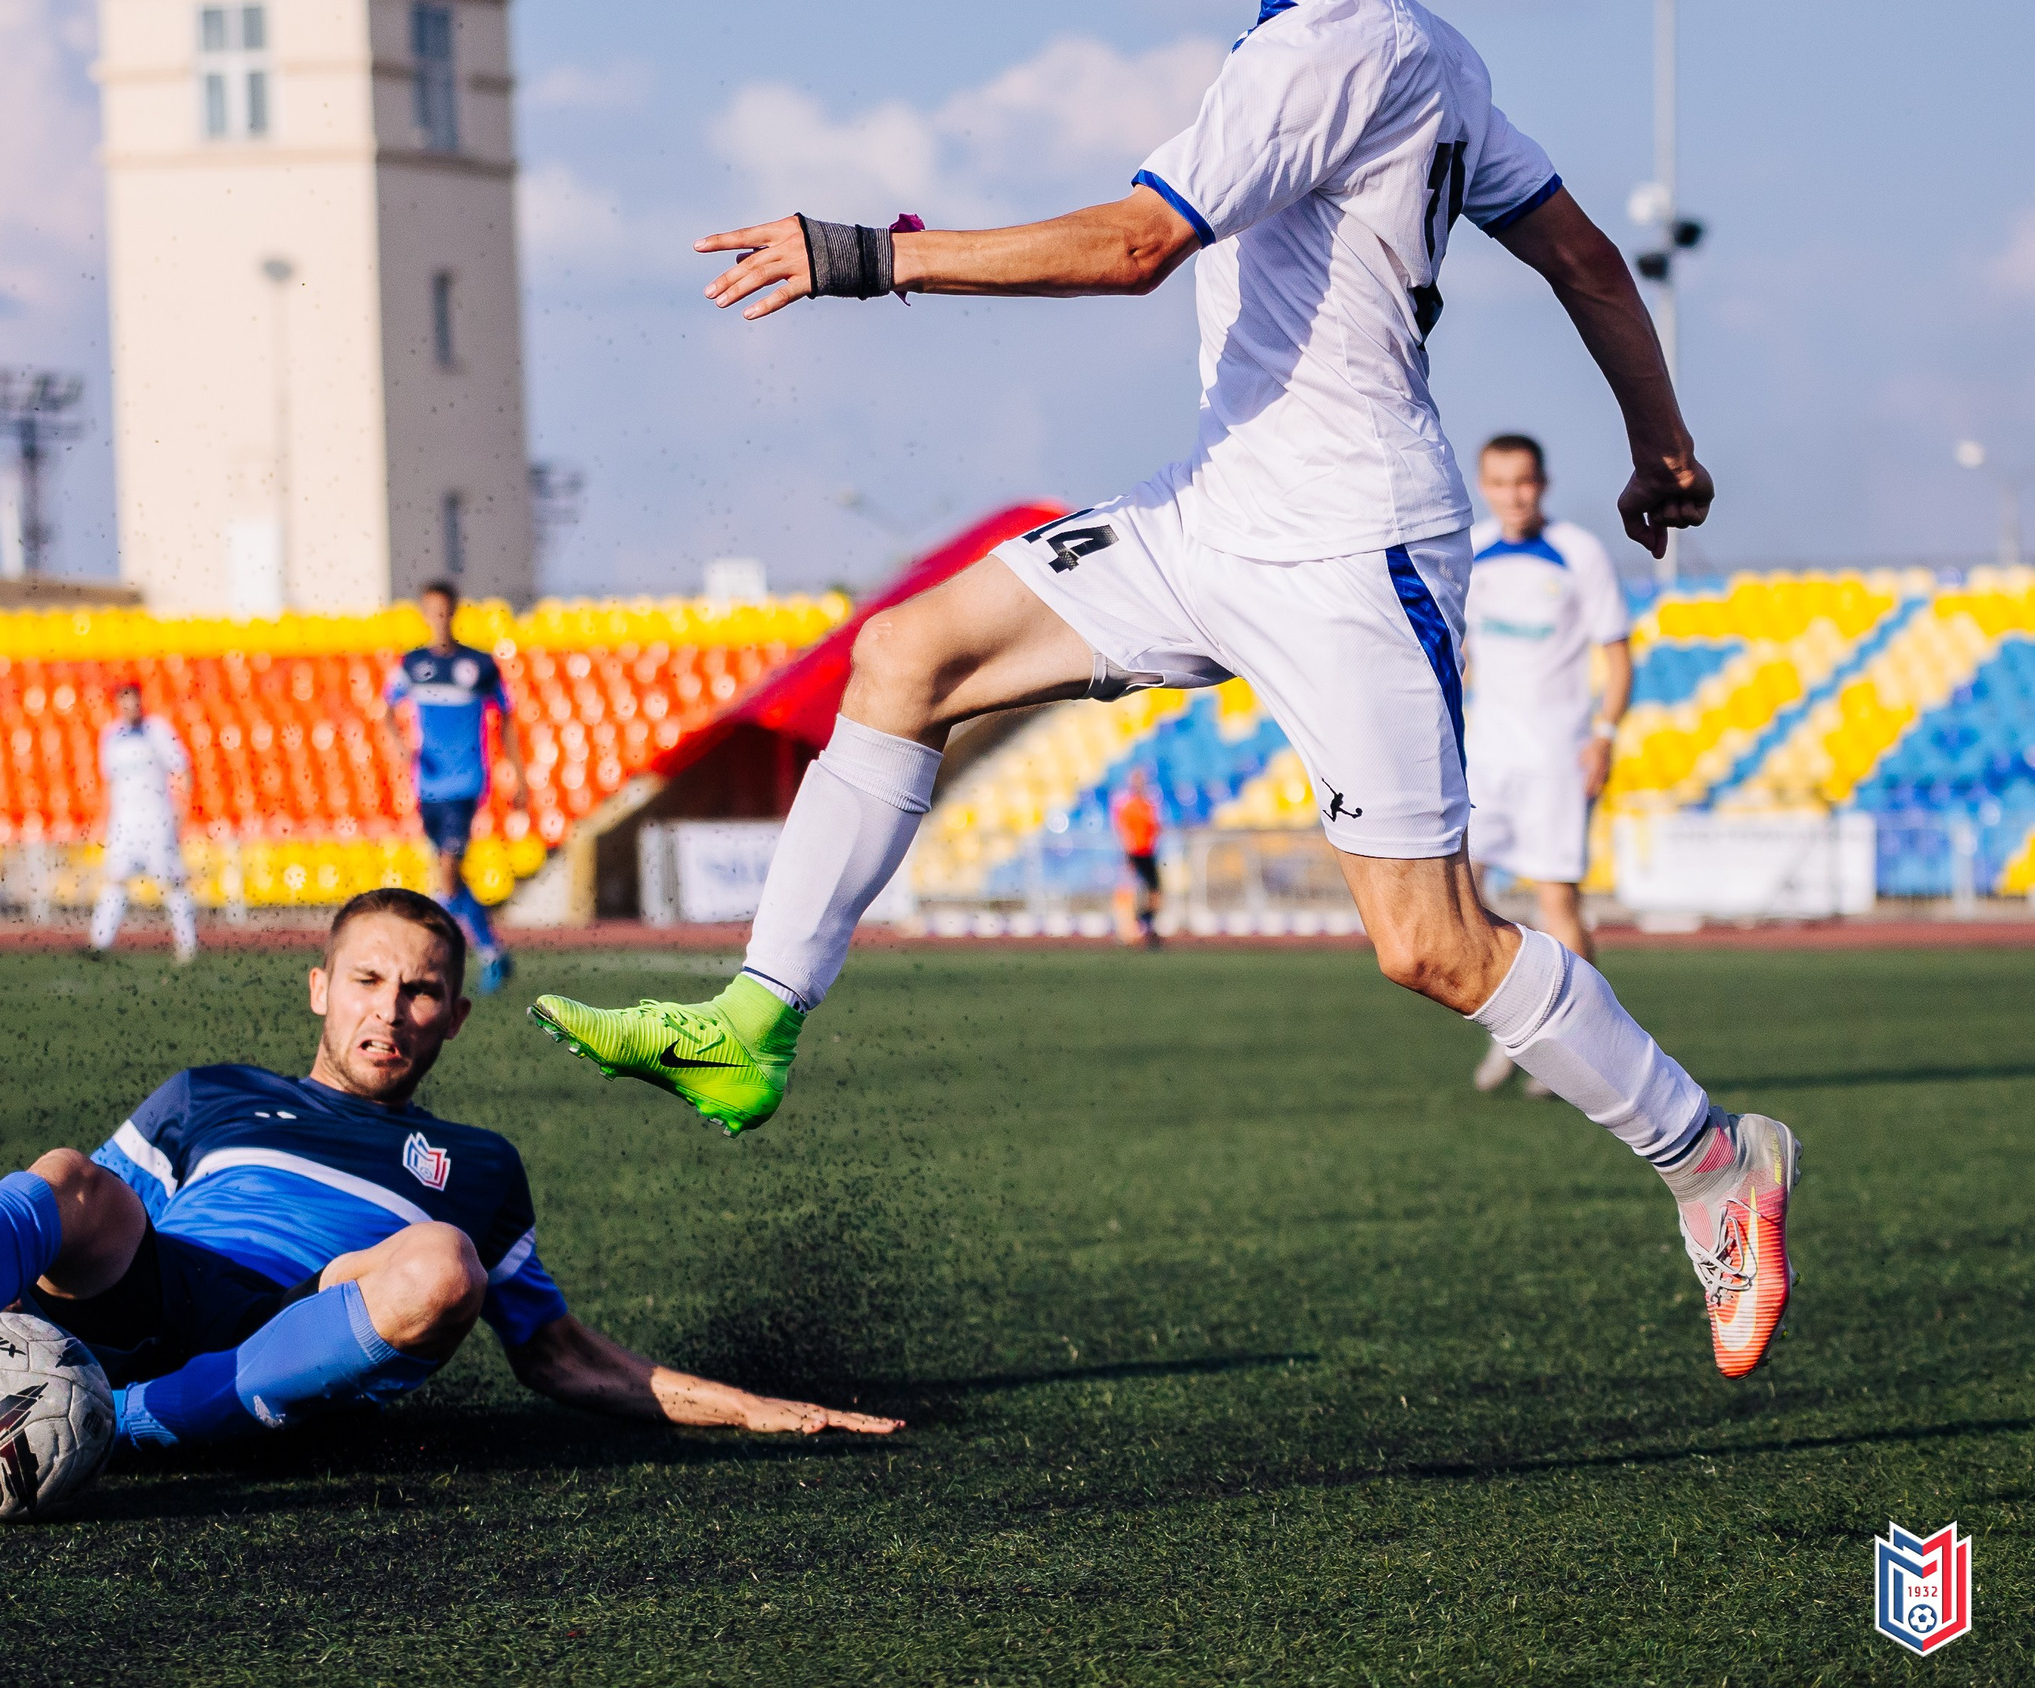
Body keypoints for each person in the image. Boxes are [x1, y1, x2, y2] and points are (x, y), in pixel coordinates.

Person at [528, 0, 1799, 1381]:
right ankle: (753, 1020)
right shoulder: (1422, 50)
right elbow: (1588, 259)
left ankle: (1713, 1156)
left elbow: (1136, 248)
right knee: (906, 655)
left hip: (1348, 545)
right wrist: (1662, 445)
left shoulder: (1328, 47)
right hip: (1210, 511)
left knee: (1431, 943)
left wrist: (865, 256)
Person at [0, 889, 897, 1466]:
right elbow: (33, 1235)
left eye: (420, 994)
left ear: (454, 1018)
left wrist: (756, 1410)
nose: (388, 1012)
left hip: (300, 1336)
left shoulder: (481, 1171)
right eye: (367, 981)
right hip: (159, 1290)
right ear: (319, 987)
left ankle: (108, 1431)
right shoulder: (212, 1094)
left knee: (437, 1264)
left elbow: (562, 1359)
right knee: (71, 1177)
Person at [1462, 433, 1634, 1096]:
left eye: (1524, 481)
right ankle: (1519, 1026)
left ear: (1544, 481)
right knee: (1459, 896)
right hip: (1489, 754)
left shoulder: (1579, 553)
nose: (1514, 495)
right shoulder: (1470, 550)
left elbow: (1616, 654)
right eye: (1501, 482)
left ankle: (1586, 1047)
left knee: (1557, 897)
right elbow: (1462, 650)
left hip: (1558, 753)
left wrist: (1605, 733)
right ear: (1485, 485)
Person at [384, 581, 528, 995]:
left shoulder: (478, 665)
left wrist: (517, 776)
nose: (439, 620)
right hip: (427, 785)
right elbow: (386, 713)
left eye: (445, 611)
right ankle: (492, 952)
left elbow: (508, 720)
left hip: (466, 782)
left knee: (446, 873)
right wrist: (400, 746)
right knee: (452, 876)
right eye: (431, 612)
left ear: (455, 613)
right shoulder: (412, 664)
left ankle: (432, 960)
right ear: (423, 614)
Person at [89, 682, 197, 964]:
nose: (130, 707)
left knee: (171, 881)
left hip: (156, 819)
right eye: (124, 702)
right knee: (115, 879)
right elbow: (109, 783)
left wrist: (182, 811)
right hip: (124, 821)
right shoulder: (110, 736)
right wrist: (102, 819)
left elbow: (182, 768)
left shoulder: (157, 730)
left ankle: (187, 945)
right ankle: (99, 943)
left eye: (134, 701)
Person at [1112, 767, 1165, 946]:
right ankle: (1129, 930)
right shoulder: (1128, 806)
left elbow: (1156, 828)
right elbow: (1123, 830)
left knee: (1154, 892)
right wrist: (1129, 852)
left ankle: (1145, 925)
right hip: (1134, 854)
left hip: (1148, 853)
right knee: (1130, 892)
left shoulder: (1149, 804)